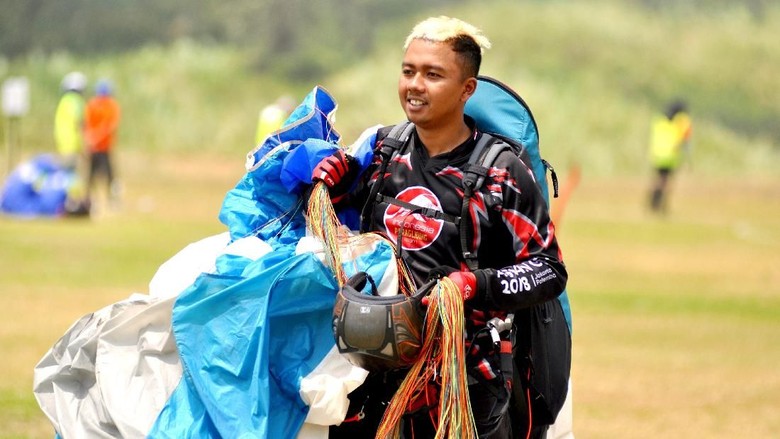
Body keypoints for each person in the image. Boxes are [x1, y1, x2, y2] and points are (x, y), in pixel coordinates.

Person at [313, 16, 570, 438]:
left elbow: (548, 270)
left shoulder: (501, 172)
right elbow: (351, 244)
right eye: (408, 71)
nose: (415, 85)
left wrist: (473, 286)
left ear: (467, 89)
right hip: (369, 379)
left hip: (465, 386)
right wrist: (336, 190)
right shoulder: (382, 151)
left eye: (433, 75)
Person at [648, 99, 692, 213]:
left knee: (658, 180)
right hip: (671, 156)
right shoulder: (680, 123)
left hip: (658, 155)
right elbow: (685, 137)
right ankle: (662, 205)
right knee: (666, 181)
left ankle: (653, 203)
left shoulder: (658, 121)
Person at [84, 79, 122, 209]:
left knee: (107, 176)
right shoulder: (101, 105)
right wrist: (92, 139)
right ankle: (91, 201)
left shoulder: (102, 105)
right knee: (93, 176)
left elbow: (109, 126)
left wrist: (93, 138)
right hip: (97, 147)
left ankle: (111, 200)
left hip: (102, 147)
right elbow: (88, 124)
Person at [54, 71, 87, 171]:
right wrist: (84, 144)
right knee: (70, 177)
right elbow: (80, 122)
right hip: (73, 144)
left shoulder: (63, 101)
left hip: (62, 144)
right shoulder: (76, 101)